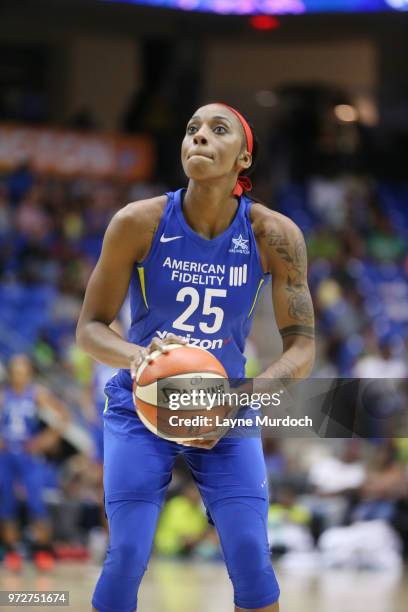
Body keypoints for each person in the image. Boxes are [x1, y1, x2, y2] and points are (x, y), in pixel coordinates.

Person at [76, 102, 315, 612]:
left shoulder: (275, 235)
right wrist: (138, 355)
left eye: (217, 129)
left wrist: (249, 394)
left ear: (244, 158)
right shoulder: (137, 222)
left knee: (252, 553)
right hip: (141, 404)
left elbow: (303, 347)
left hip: (225, 404)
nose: (199, 137)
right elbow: (90, 328)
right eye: (191, 129)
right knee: (127, 555)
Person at [0, 354, 70, 572]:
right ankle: (11, 552)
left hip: (29, 456)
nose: (19, 375)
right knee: (7, 504)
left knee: (36, 503)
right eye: (16, 371)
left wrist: (45, 440)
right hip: (6, 457)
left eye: (23, 371)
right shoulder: (4, 396)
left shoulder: (37, 394)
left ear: (30, 373)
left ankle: (43, 550)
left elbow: (63, 416)